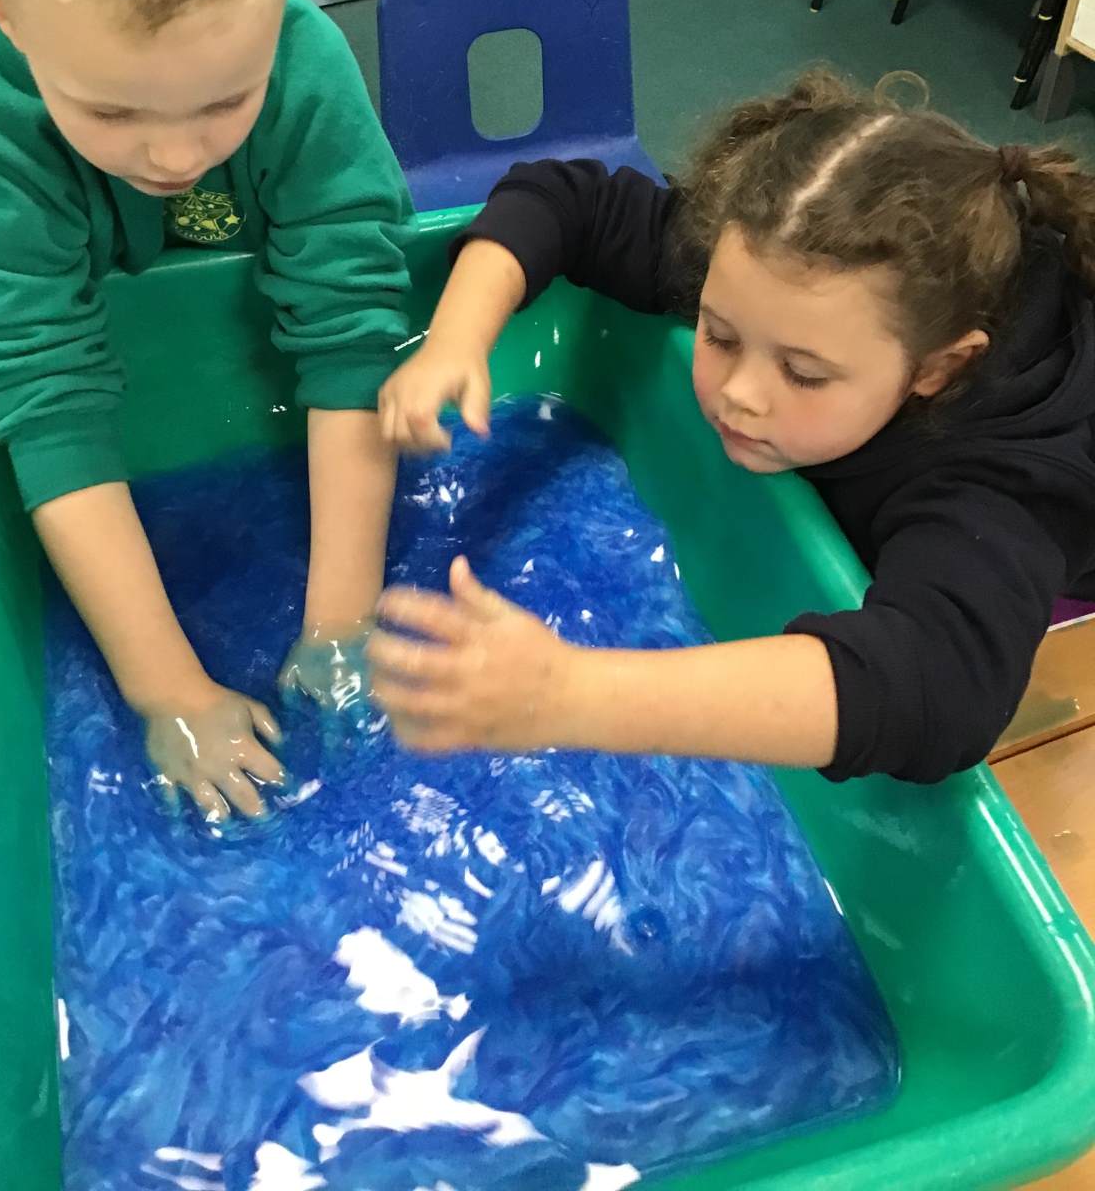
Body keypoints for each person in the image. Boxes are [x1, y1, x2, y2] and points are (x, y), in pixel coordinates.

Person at [0, 0, 414, 822]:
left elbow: (350, 331)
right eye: (110, 113)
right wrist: (169, 692)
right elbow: (45, 403)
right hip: (115, 406)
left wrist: (342, 620)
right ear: (2, 14)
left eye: (227, 100)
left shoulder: (306, 65)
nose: (176, 155)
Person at [369, 69, 1095, 783]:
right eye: (718, 336)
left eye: (802, 374)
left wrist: (569, 693)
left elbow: (940, 688)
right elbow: (564, 199)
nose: (739, 393)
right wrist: (455, 341)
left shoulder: (1004, 483)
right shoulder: (769, 273)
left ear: (937, 369)